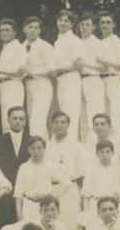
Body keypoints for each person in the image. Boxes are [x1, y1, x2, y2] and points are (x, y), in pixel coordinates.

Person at [45, 111, 85, 230]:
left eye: (62, 122)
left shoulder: (77, 146)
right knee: (51, 223)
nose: (59, 125)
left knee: (70, 222)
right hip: (50, 188)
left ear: (68, 125)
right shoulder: (46, 146)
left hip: (69, 188)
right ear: (51, 124)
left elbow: (82, 170)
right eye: (56, 122)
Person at [96, 11, 120, 146]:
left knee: (117, 118)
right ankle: (103, 150)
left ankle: (118, 150)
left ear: (114, 24)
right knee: (102, 118)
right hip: (99, 81)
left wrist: (105, 62)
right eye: (102, 23)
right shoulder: (98, 43)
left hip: (115, 79)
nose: (105, 25)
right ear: (99, 25)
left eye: (108, 22)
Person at [13, 136, 68, 223]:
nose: (36, 151)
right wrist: (19, 216)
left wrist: (53, 195)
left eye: (39, 148)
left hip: (45, 207)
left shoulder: (49, 165)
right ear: (29, 150)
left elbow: (66, 182)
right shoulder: (24, 167)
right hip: (29, 207)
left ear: (44, 149)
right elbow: (18, 194)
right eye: (33, 148)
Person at [21, 16, 55, 139]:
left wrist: (31, 70)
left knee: (37, 121)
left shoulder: (45, 46)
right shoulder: (21, 46)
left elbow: (50, 69)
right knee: (33, 121)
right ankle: (43, 147)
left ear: (40, 30)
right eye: (30, 27)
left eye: (36, 28)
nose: (33, 30)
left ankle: (40, 148)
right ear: (24, 29)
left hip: (42, 85)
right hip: (28, 85)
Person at [51, 10, 83, 142]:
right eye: (60, 20)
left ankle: (71, 145)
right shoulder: (57, 41)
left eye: (66, 21)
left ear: (71, 24)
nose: (63, 23)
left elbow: (78, 64)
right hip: (61, 80)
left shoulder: (74, 40)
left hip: (71, 79)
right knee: (63, 113)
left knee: (71, 115)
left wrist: (60, 69)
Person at [81, 139, 120, 213]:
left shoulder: (119, 170)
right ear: (97, 154)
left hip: (112, 206)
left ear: (112, 153)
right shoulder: (91, 171)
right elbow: (86, 195)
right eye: (102, 152)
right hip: (95, 205)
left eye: (108, 152)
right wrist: (86, 213)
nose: (105, 155)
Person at [76, 12, 105, 141]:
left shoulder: (98, 43)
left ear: (94, 27)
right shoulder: (77, 43)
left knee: (94, 115)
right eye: (82, 24)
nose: (84, 27)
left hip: (93, 80)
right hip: (78, 81)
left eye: (88, 24)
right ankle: (84, 147)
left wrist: (85, 63)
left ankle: (96, 147)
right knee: (82, 118)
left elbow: (104, 67)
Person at [0, 19, 27, 133]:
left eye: (7, 30)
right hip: (4, 86)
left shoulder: (19, 47)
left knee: (14, 119)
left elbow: (20, 72)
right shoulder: (5, 47)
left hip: (14, 85)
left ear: (14, 32)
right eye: (1, 30)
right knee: (6, 120)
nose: (4, 33)